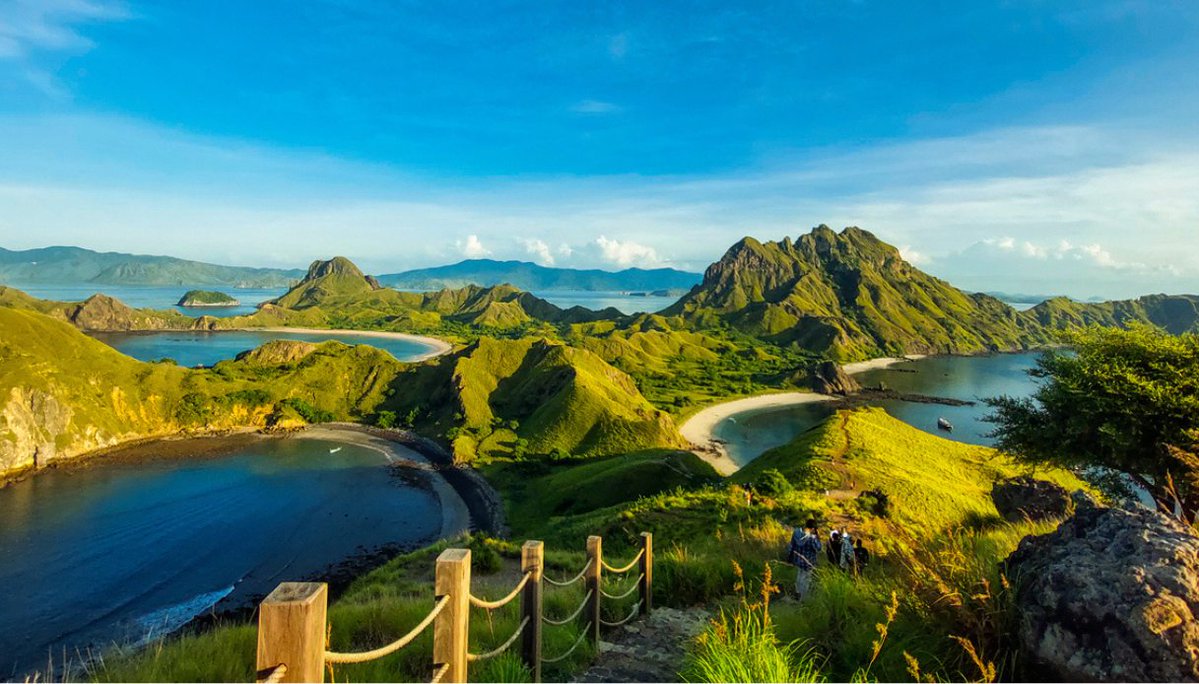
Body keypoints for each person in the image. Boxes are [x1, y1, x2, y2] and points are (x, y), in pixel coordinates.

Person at [788, 519, 822, 601]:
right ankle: (803, 599)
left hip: (798, 560)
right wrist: (818, 538)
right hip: (808, 563)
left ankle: (797, 594)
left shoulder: (796, 533)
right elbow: (818, 548)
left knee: (799, 578)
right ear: (813, 529)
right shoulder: (812, 538)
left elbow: (791, 545)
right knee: (806, 581)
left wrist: (790, 557)